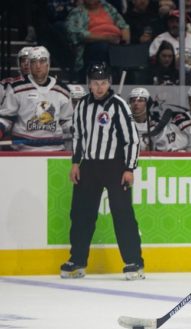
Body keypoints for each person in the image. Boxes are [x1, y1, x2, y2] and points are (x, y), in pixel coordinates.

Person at [60, 63, 144, 280]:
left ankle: (134, 262)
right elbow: (78, 135)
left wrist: (129, 168)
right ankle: (77, 260)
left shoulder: (118, 105)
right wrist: (76, 163)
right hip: (89, 166)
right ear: (89, 84)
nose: (99, 87)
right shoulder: (82, 106)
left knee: (122, 214)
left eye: (104, 83)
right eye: (96, 83)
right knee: (80, 214)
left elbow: (132, 139)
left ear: (109, 83)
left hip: (115, 166)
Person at [0, 46, 74, 152]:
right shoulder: (16, 88)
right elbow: (6, 118)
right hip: (24, 151)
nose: (38, 66)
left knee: (60, 169)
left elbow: (66, 120)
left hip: (56, 151)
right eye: (34, 61)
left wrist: (75, 129)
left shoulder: (62, 90)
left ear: (48, 64)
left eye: (42, 61)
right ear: (30, 64)